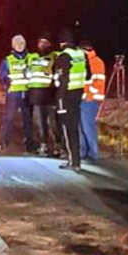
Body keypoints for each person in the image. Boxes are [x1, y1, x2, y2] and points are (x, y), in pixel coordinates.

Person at [52, 28, 89, 171]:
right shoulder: (81, 54)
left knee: (68, 129)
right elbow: (88, 76)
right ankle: (76, 160)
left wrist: (59, 100)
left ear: (62, 42)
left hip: (66, 96)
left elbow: (63, 80)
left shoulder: (64, 56)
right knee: (75, 127)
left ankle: (74, 162)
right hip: (78, 94)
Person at [0, 34, 37, 153]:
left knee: (28, 120)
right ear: (13, 45)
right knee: (8, 119)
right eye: (17, 44)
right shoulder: (8, 60)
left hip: (27, 93)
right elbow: (0, 76)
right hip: (13, 94)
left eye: (21, 43)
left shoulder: (31, 58)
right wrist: (5, 81)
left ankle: (30, 144)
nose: (19, 46)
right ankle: (3, 143)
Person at [27, 35, 57, 156]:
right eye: (40, 42)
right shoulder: (32, 57)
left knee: (54, 123)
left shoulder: (54, 56)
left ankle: (58, 146)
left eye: (45, 42)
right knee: (40, 123)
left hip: (50, 95)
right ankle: (43, 145)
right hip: (36, 96)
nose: (42, 45)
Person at [79, 41, 106, 162]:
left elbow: (98, 83)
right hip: (83, 99)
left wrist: (88, 95)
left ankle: (92, 153)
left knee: (88, 127)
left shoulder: (96, 62)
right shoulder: (84, 62)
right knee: (81, 127)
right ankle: (83, 151)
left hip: (90, 100)